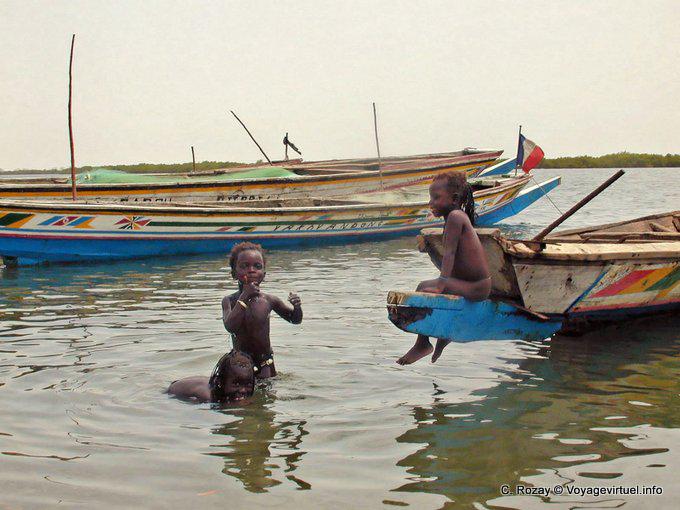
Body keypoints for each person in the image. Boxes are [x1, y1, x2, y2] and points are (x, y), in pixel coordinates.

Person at [397, 171, 492, 365]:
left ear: (454, 198)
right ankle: (443, 333)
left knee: (423, 287)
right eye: (430, 197)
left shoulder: (456, 217)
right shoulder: (453, 217)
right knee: (431, 288)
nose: (431, 202)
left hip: (477, 287)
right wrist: (443, 283)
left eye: (436, 198)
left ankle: (422, 343)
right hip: (470, 283)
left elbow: (449, 254)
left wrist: (441, 284)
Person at [222, 242, 303, 378]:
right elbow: (230, 326)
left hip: (265, 364)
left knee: (268, 395)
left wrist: (297, 307)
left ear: (264, 274)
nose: (251, 270)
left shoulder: (269, 300)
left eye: (257, 266)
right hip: (240, 366)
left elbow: (295, 319)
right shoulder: (229, 301)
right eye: (244, 266)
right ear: (234, 274)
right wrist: (245, 295)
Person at [168, 350, 255, 403]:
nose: (243, 390)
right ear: (221, 383)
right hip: (174, 390)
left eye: (248, 384)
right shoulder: (209, 397)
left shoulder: (226, 386)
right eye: (236, 384)